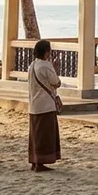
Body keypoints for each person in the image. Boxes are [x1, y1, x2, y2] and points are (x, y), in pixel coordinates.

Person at [27, 39, 62, 172]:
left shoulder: (32, 65)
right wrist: (55, 69)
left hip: (34, 105)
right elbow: (55, 83)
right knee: (45, 135)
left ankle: (34, 160)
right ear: (46, 52)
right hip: (46, 104)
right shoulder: (46, 66)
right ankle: (41, 162)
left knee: (36, 135)